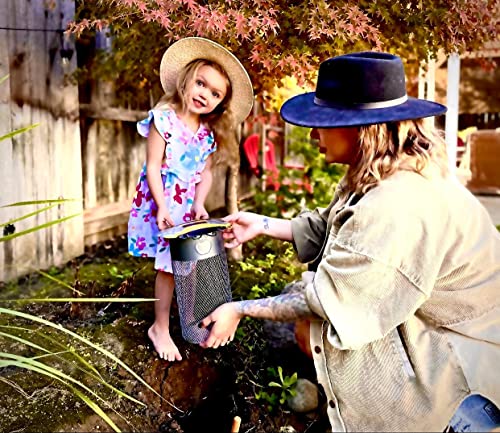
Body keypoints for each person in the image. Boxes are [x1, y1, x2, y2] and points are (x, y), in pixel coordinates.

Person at [199, 51, 500, 431]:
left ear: (360, 129)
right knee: (312, 325)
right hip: (432, 314)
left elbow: (328, 299)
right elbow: (336, 227)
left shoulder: (398, 201)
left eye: (323, 123)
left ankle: (446, 418)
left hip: (460, 347)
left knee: (322, 331)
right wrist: (259, 224)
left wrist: (238, 309)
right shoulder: (386, 168)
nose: (313, 135)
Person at [128, 37, 253, 362]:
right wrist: (162, 207)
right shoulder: (163, 120)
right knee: (168, 267)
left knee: (190, 263)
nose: (205, 95)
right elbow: (153, 167)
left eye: (215, 94)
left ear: (220, 104)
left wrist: (200, 203)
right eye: (202, 84)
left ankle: (189, 320)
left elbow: (206, 174)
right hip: (165, 204)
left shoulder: (207, 134)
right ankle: (159, 327)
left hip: (187, 209)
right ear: (187, 80)